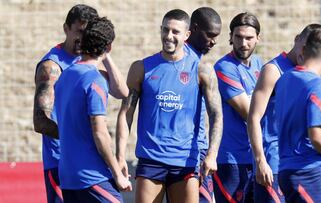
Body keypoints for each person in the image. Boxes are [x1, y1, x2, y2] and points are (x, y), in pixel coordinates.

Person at [116, 9, 223, 203]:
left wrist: (212, 154)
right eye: (165, 30)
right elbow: (126, 114)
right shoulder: (141, 68)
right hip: (151, 161)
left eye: (175, 32)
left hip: (185, 162)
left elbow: (216, 115)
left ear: (187, 34)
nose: (169, 36)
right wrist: (120, 155)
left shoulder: (202, 70)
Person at [54, 17, 131, 202]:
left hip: (68, 177)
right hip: (92, 176)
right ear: (109, 47)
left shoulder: (66, 75)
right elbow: (100, 133)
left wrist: (104, 54)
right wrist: (117, 173)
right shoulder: (94, 80)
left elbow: (122, 91)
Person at [247, 23, 321, 203]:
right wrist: (260, 160)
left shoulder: (309, 74)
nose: (305, 52)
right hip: (272, 165)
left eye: (311, 50)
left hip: (301, 166)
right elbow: (254, 117)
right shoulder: (273, 70)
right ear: (297, 39)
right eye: (304, 46)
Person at [275, 28, 321, 203]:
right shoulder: (317, 85)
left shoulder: (285, 78)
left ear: (303, 50)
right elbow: (316, 134)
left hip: (286, 170)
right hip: (306, 171)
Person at [212, 12, 262, 203]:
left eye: (249, 38)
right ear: (230, 37)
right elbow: (250, 113)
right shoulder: (224, 67)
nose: (244, 43)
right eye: (238, 37)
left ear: (258, 38)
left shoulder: (258, 64)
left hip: (255, 157)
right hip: (230, 160)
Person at [186, 7, 222, 203]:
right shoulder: (180, 60)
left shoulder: (202, 65)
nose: (214, 41)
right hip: (181, 155)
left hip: (199, 151)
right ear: (195, 28)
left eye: (217, 36)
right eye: (210, 35)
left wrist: (211, 153)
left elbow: (216, 113)